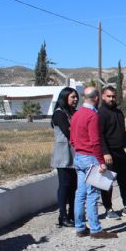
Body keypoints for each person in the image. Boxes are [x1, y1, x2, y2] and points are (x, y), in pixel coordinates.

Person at [70, 86, 118, 239]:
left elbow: (71, 139)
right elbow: (95, 141)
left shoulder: (76, 114)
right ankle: (96, 230)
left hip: (78, 156)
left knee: (80, 193)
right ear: (97, 98)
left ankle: (80, 227)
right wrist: (100, 161)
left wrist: (79, 148)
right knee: (92, 194)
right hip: (90, 157)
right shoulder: (92, 115)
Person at [98, 86, 126, 219]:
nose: (111, 99)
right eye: (109, 96)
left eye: (113, 96)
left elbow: (122, 132)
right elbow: (100, 135)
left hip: (120, 152)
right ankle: (108, 209)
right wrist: (105, 153)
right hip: (108, 153)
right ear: (103, 97)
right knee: (107, 182)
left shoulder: (118, 112)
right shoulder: (101, 113)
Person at [50, 87, 79, 228]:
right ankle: (62, 216)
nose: (75, 99)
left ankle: (73, 213)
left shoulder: (75, 113)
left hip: (75, 154)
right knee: (64, 185)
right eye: (72, 97)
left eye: (76, 97)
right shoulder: (59, 114)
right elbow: (69, 132)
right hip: (63, 155)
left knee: (74, 186)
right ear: (65, 97)